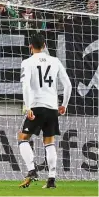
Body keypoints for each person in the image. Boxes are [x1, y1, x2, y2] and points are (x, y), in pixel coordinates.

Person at [18, 34, 72, 189]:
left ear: (30, 47)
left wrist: (28, 106)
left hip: (36, 106)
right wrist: (65, 104)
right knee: (49, 142)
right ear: (45, 45)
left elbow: (26, 85)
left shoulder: (27, 62)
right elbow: (68, 85)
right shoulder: (55, 61)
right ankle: (51, 180)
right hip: (52, 107)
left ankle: (32, 170)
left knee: (22, 138)